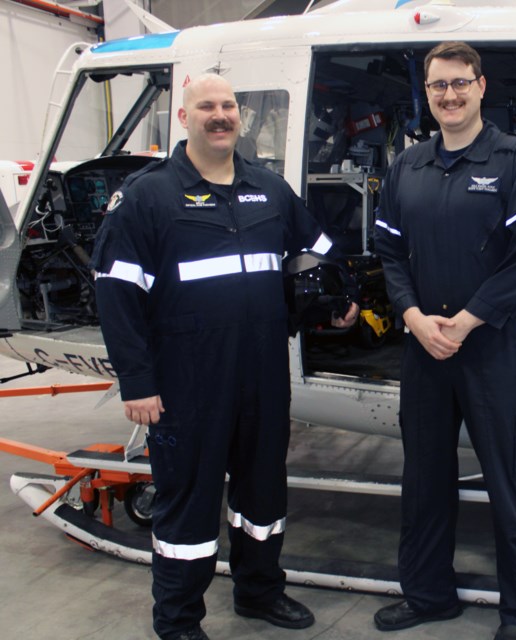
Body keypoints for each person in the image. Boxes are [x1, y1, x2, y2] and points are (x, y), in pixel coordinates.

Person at [91, 73, 358, 640]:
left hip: (262, 373)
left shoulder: (268, 188)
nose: (220, 115)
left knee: (263, 494)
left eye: (229, 105)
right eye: (206, 106)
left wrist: (341, 296)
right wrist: (137, 382)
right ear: (182, 118)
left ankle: (260, 592)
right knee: (188, 503)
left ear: (240, 115)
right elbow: (116, 294)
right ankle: (179, 619)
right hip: (187, 382)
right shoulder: (147, 196)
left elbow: (319, 244)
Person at [373, 42, 516, 640]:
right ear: (426, 94)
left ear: (481, 86)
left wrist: (470, 320)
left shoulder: (512, 160)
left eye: (458, 83)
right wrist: (412, 316)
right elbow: (389, 252)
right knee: (424, 480)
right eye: (437, 86)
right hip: (424, 347)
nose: (448, 95)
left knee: (509, 484)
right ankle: (427, 596)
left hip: (494, 349)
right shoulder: (409, 166)